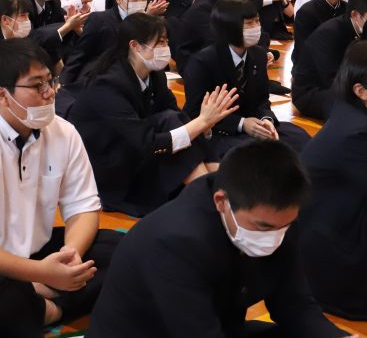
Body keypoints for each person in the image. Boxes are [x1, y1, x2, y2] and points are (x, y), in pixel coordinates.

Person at [0, 38, 120, 338]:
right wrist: (44, 273)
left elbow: (83, 206)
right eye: (36, 85)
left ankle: (39, 303)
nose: (50, 92)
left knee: (124, 249)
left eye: (50, 81)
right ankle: (54, 307)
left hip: (35, 249)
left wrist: (70, 255)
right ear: (2, 95)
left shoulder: (63, 132)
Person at [87, 141, 350, 338]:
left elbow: (294, 303)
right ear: (221, 201)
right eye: (263, 227)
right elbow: (196, 331)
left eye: (286, 226)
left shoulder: (280, 216)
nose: (274, 236)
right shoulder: (176, 242)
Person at [69, 14, 235, 216]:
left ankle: (223, 192)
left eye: (166, 42)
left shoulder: (155, 75)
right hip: (111, 168)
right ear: (134, 46)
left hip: (139, 151)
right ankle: (213, 203)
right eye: (159, 42)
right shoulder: (106, 83)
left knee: (175, 120)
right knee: (173, 122)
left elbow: (177, 118)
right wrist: (200, 122)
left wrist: (205, 125)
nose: (166, 48)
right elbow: (146, 141)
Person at [299, 40, 367, 321]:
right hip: (339, 253)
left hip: (342, 222)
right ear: (361, 90)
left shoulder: (359, 111)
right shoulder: (357, 133)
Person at [184, 0, 310, 157]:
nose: (256, 28)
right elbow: (195, 113)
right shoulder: (202, 62)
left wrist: (266, 120)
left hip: (252, 125)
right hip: (218, 131)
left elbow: (262, 100)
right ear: (228, 28)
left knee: (299, 137)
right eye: (249, 23)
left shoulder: (258, 55)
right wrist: (242, 123)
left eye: (257, 21)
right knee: (256, 154)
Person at [291, 0, 367, 120]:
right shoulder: (328, 34)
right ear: (355, 15)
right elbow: (330, 79)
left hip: (351, 85)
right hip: (314, 92)